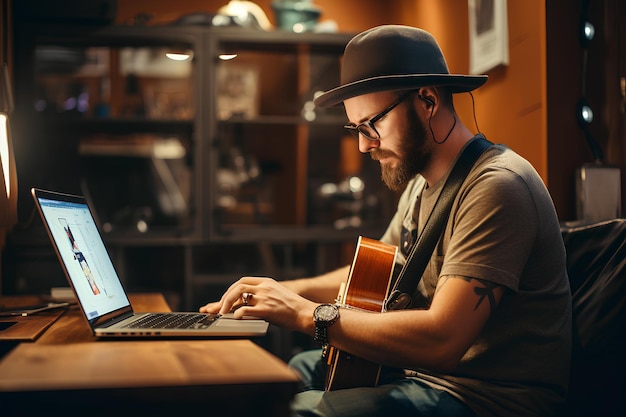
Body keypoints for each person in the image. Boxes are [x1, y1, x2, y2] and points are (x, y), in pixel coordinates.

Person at [200, 25, 572, 417]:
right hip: (425, 376)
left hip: (488, 398)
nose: (364, 145)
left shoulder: (497, 186)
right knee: (295, 371)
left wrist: (302, 312)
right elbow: (380, 270)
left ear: (427, 100)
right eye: (356, 129)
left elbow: (442, 342)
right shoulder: (421, 187)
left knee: (303, 409)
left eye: (371, 124)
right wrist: (275, 293)